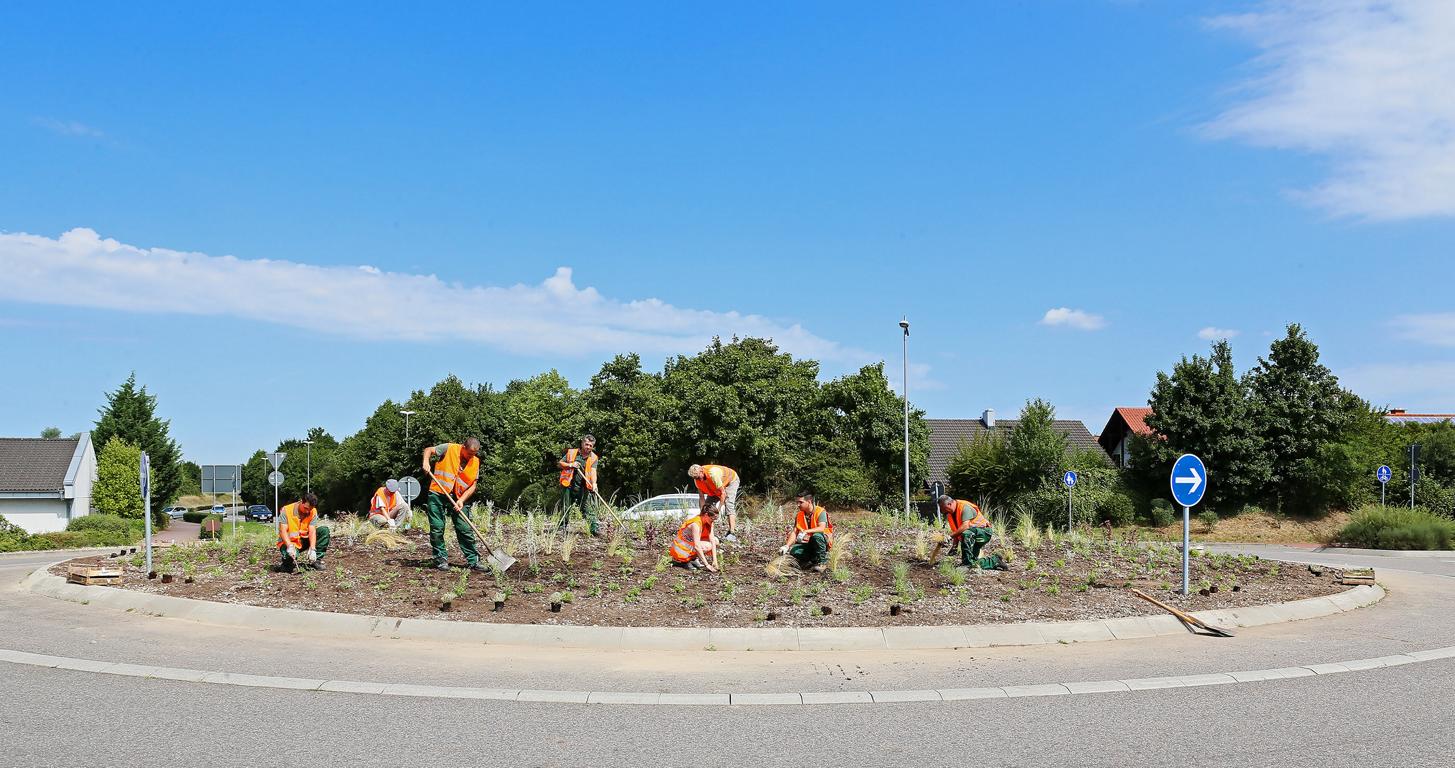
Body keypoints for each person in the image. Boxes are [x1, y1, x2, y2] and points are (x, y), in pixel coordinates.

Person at [421, 438, 486, 571]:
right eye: (469, 453)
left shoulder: (475, 462)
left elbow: (473, 485)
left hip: (459, 497)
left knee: (464, 529)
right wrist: (426, 462)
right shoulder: (449, 448)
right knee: (437, 527)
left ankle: (474, 561)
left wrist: (461, 500)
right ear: (463, 447)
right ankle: (440, 559)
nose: (471, 457)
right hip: (438, 493)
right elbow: (429, 450)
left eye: (474, 454)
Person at [938, 495, 1007, 570]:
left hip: (984, 532)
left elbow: (965, 526)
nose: (943, 512)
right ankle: (995, 561)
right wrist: (954, 546)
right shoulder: (950, 514)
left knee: (966, 533)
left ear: (949, 504)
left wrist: (949, 537)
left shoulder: (964, 507)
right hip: (972, 536)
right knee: (973, 562)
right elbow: (956, 531)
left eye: (944, 509)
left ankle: (966, 564)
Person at [556, 435, 600, 536]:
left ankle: (594, 529)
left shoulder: (593, 458)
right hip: (568, 485)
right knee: (566, 507)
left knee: (586, 508)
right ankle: (562, 527)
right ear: (582, 443)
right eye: (587, 444)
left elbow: (593, 472)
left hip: (583, 487)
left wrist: (594, 483)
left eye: (591, 445)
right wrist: (571, 465)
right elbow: (560, 464)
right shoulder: (572, 453)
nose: (588, 447)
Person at [781, 491, 833, 572]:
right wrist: (786, 546)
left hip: (822, 542)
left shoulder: (820, 511)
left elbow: (821, 528)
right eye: (797, 502)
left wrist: (806, 531)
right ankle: (811, 562)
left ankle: (822, 563)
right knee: (794, 551)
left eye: (801, 502)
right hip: (807, 543)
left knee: (817, 536)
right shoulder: (799, 515)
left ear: (809, 502)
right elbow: (795, 532)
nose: (798, 505)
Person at [277, 492, 329, 573]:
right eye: (306, 508)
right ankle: (286, 564)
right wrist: (289, 546)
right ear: (301, 501)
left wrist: (312, 549)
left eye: (310, 509)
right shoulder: (286, 510)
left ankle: (316, 560)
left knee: (324, 530)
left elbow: (312, 531)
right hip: (290, 543)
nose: (308, 511)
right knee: (288, 565)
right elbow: (282, 531)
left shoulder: (313, 511)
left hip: (304, 540)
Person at [687, 464, 740, 542]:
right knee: (707, 508)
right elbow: (701, 498)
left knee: (729, 504)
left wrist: (717, 511)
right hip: (716, 488)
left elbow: (723, 493)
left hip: (730, 481)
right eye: (695, 478)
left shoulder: (713, 473)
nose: (698, 479)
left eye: (698, 477)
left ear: (701, 470)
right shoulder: (697, 481)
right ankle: (704, 532)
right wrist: (702, 513)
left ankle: (731, 532)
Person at [668, 500, 720, 572]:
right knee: (707, 546)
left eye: (715, 519)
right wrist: (707, 565)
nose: (713, 521)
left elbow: (712, 541)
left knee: (715, 541)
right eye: (712, 519)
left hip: (689, 546)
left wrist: (715, 561)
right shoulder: (696, 524)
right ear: (706, 515)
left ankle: (692, 559)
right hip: (681, 550)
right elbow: (697, 546)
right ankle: (683, 561)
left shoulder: (709, 522)